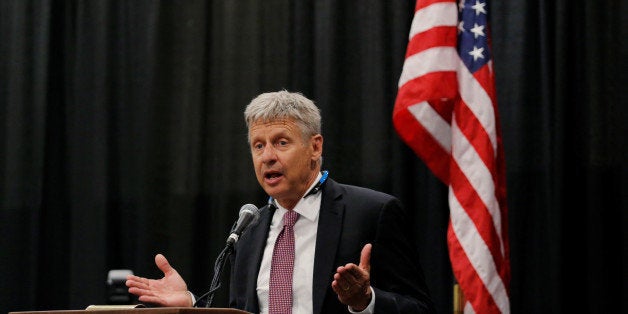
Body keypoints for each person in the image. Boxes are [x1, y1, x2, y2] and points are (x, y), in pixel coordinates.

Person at [126, 90, 435, 313]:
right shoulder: (248, 230)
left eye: (281, 142)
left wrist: (365, 302)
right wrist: (191, 306)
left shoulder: (371, 212)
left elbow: (420, 308)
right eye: (258, 146)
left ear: (315, 147)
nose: (267, 157)